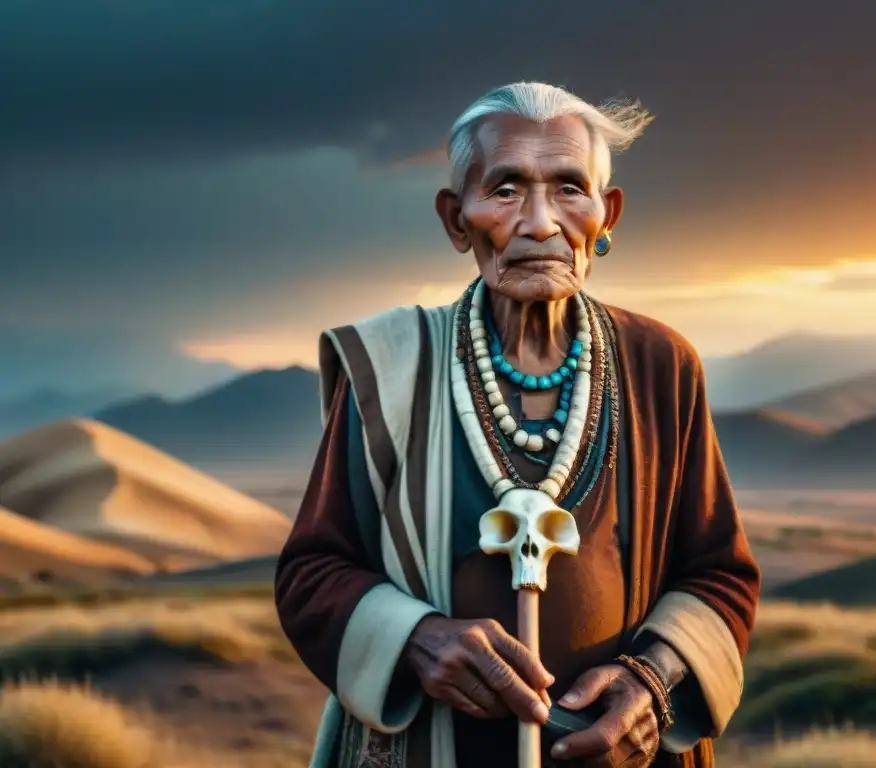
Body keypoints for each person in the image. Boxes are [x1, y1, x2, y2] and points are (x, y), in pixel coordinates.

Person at [275, 81, 761, 768]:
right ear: (455, 219)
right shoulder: (387, 367)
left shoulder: (661, 366)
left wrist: (652, 683)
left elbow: (718, 574)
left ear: (607, 212)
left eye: (569, 189)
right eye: (506, 191)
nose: (539, 222)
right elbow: (311, 572)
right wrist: (419, 639)